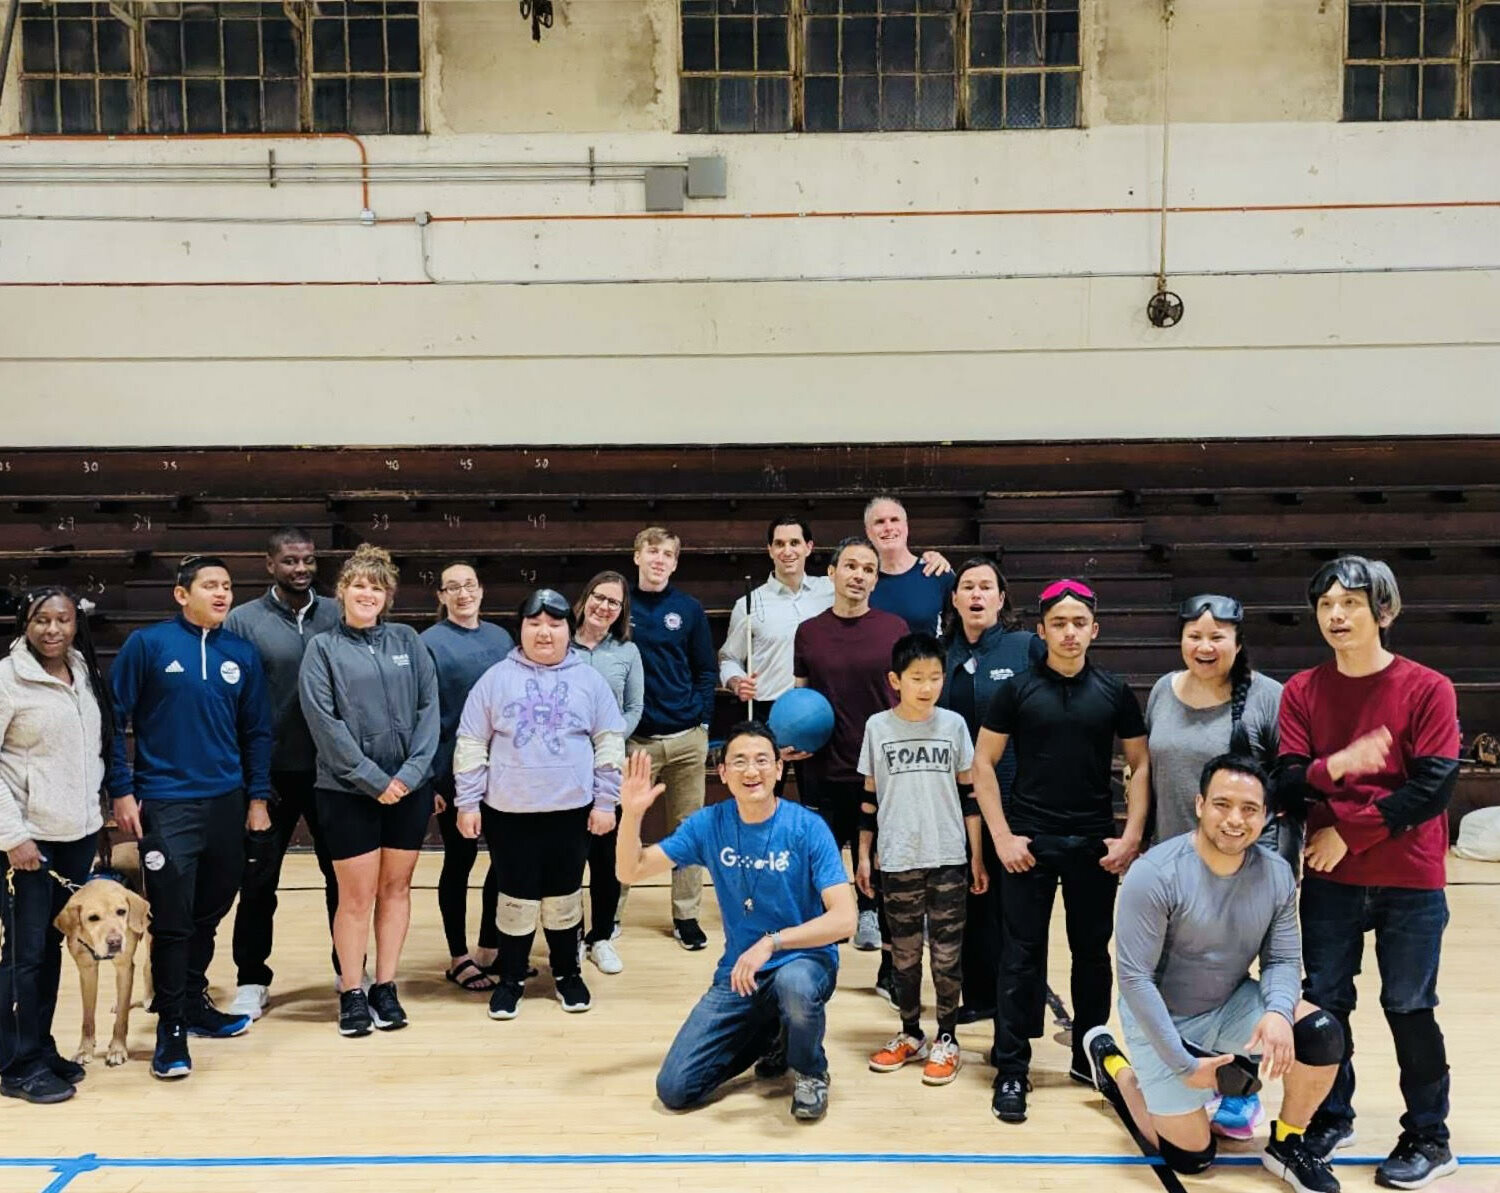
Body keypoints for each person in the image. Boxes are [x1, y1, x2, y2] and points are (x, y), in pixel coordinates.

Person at [1277, 556, 1462, 1188]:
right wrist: (1340, 765)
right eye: (1327, 604)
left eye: (1351, 603)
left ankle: (1429, 1138)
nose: (1336, 615)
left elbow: (1434, 787)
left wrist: (1347, 830)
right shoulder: (1302, 690)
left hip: (1409, 878)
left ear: (1383, 610)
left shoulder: (1428, 687)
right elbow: (1287, 779)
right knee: (1327, 1003)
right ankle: (1332, 1114)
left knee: (1409, 1006)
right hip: (1331, 882)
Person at [1082, 755, 1344, 1193]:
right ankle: (1116, 1068)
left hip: (1228, 1002)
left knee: (1320, 1032)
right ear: (1200, 804)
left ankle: (1287, 1143)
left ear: (1266, 815)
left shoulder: (1276, 874)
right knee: (1191, 1158)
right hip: (1160, 1016)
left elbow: (1281, 961)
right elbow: (1134, 980)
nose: (1235, 820)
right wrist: (1184, 1066)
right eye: (1222, 804)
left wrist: (1279, 1012)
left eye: (1249, 809)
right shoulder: (1155, 874)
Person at [970, 577, 1150, 1123]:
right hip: (1029, 840)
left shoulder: (1115, 692)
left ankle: (1087, 1056)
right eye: (1058, 624)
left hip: (1094, 844)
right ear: (1042, 630)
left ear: (1094, 629)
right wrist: (1001, 836)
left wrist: (1131, 835)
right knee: (1020, 956)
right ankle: (1012, 1069)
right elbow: (982, 764)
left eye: (1078, 624)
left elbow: (1139, 765)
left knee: (1093, 957)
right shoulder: (1017, 690)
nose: (1069, 633)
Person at [617, 721, 856, 1122]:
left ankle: (811, 1071)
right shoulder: (709, 824)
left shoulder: (807, 828)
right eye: (740, 762)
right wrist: (632, 816)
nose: (752, 771)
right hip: (741, 973)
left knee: (793, 985)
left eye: (762, 760)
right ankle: (772, 1033)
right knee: (674, 1088)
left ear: (780, 769)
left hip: (803, 961)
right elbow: (630, 870)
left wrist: (772, 943)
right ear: (722, 773)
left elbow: (845, 919)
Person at [108, 555, 272, 1080]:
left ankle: (195, 1001)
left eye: (227, 586)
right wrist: (122, 791)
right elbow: (115, 721)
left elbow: (257, 733)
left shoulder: (241, 653)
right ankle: (171, 1028)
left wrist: (258, 799)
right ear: (182, 594)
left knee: (213, 907)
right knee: (174, 919)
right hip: (167, 801)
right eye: (210, 585)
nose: (222, 594)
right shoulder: (148, 646)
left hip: (227, 801)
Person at [1145, 593, 1285, 1139]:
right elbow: (1147, 777)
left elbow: (1284, 792)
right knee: (1173, 980)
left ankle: (1241, 1088)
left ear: (1237, 641)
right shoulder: (1162, 690)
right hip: (1170, 868)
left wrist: (1277, 865)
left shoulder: (1266, 698)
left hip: (1241, 872)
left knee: (1232, 980)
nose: (1204, 646)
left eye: (1217, 636)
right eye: (1195, 636)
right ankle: (1187, 1075)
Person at [453, 588, 625, 1018]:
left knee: (565, 895)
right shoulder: (494, 679)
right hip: (509, 813)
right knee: (514, 897)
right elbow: (471, 743)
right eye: (535, 624)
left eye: (554, 624)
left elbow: (609, 744)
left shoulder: (590, 681)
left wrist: (606, 802)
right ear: (521, 629)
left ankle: (567, 974)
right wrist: (468, 803)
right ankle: (511, 978)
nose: (544, 633)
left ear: (569, 630)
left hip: (572, 811)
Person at [298, 544, 439, 1039]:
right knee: (355, 897)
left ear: (388, 596)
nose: (366, 593)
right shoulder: (322, 649)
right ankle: (352, 992)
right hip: (346, 790)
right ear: (342, 592)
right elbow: (324, 723)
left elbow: (429, 711)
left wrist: (411, 775)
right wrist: (374, 781)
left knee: (396, 889)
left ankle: (386, 985)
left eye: (376, 587)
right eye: (358, 585)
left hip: (409, 789)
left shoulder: (408, 641)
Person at [224, 527, 343, 1021]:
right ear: (269, 564)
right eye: (290, 561)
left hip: (331, 772)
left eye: (309, 561)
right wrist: (248, 773)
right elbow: (229, 700)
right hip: (268, 775)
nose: (301, 569)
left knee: (342, 878)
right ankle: (252, 978)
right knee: (258, 883)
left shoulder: (338, 614)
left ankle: (349, 969)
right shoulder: (242, 621)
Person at [0, 589, 113, 1104]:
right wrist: (13, 836)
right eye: (41, 620)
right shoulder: (7, 679)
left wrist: (91, 821)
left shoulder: (82, 673)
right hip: (28, 842)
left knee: (50, 951)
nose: (52, 630)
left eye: (62, 620)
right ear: (25, 624)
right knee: (23, 956)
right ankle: (15, 1063)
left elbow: (90, 753)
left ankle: (40, 1047)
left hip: (75, 836)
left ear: (75, 624)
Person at [858, 633, 983, 1086]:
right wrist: (864, 855)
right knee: (905, 956)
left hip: (948, 855)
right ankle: (910, 1033)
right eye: (916, 678)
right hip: (897, 858)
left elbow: (970, 796)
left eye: (934, 677)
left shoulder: (953, 726)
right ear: (895, 680)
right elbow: (868, 799)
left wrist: (977, 857)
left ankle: (947, 1037)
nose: (927, 686)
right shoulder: (878, 727)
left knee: (947, 957)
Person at [792, 535, 908, 981]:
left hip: (880, 769)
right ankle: (818, 966)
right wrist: (789, 741)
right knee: (820, 866)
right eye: (851, 566)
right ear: (832, 573)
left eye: (868, 570)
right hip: (822, 765)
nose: (858, 575)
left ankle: (890, 971)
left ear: (876, 581)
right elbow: (800, 698)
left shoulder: (894, 629)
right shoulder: (809, 631)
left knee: (884, 866)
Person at [939, 558, 1044, 1026]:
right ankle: (980, 996)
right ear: (956, 600)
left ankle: (1021, 1003)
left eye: (987, 587)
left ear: (1002, 600)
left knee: (1017, 908)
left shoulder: (1026, 648)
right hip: (957, 803)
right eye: (968, 587)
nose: (977, 594)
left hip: (1018, 799)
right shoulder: (941, 656)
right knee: (973, 902)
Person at [418, 562, 514, 993]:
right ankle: (458, 956)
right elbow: (422, 715)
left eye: (469, 585)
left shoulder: (501, 638)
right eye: (452, 587)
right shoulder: (428, 644)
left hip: (506, 772)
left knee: (506, 859)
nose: (462, 593)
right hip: (454, 773)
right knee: (460, 861)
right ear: (441, 596)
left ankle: (490, 948)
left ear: (481, 590)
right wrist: (432, 779)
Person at [627, 527, 717, 951]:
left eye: (667, 554)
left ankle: (686, 915)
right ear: (638, 557)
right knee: (626, 829)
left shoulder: (689, 609)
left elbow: (705, 669)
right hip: (636, 742)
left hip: (685, 737)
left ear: (675, 563)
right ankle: (610, 914)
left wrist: (702, 721)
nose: (659, 559)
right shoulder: (619, 602)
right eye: (652, 551)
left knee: (689, 830)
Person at [571, 571, 643, 974]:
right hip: (564, 769)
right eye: (599, 597)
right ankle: (572, 935)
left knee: (605, 858)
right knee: (570, 856)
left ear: (621, 611)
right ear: (586, 598)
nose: (604, 607)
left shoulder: (627, 652)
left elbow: (634, 708)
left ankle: (600, 936)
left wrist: (608, 741)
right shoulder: (561, 642)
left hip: (609, 769)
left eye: (613, 603)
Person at [718, 515, 834, 711]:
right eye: (779, 544)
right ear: (770, 550)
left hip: (825, 706)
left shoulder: (831, 590)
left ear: (809, 547)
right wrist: (737, 682)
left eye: (795, 543)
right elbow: (729, 658)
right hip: (770, 708)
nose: (787, 551)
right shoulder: (749, 603)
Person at [864, 495, 956, 634]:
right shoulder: (861, 580)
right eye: (879, 522)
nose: (888, 527)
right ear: (868, 532)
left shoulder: (937, 572)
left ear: (906, 527)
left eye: (894, 520)